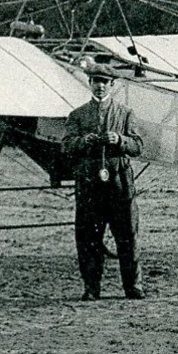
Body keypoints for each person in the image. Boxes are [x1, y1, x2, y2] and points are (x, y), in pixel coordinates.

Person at [64, 63, 145, 300]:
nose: (100, 86)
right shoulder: (77, 115)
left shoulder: (125, 113)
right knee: (88, 237)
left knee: (127, 235)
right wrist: (82, 141)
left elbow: (138, 145)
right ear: (89, 83)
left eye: (104, 82)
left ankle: (133, 286)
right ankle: (91, 288)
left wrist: (119, 139)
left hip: (119, 182)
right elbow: (66, 146)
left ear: (112, 85)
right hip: (90, 184)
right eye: (95, 81)